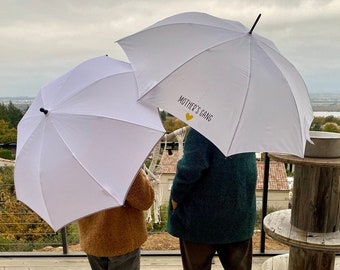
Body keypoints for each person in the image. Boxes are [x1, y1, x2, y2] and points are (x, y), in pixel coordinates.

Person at [167, 128, 257, 270]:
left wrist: (176, 198)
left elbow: (190, 169)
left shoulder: (204, 126)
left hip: (199, 221)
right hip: (239, 217)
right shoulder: (246, 128)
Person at [78, 169, 154, 270]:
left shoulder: (74, 163)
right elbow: (145, 200)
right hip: (121, 240)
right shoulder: (121, 161)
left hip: (91, 239)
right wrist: (141, 174)